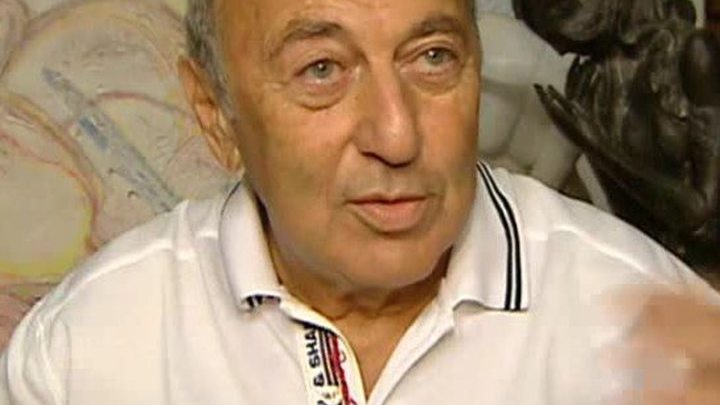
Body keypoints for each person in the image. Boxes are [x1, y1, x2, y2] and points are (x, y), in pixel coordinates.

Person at [2, 0, 720, 404]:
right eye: (321, 69)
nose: (397, 135)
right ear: (215, 112)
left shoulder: (662, 333)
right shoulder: (84, 353)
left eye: (433, 57)